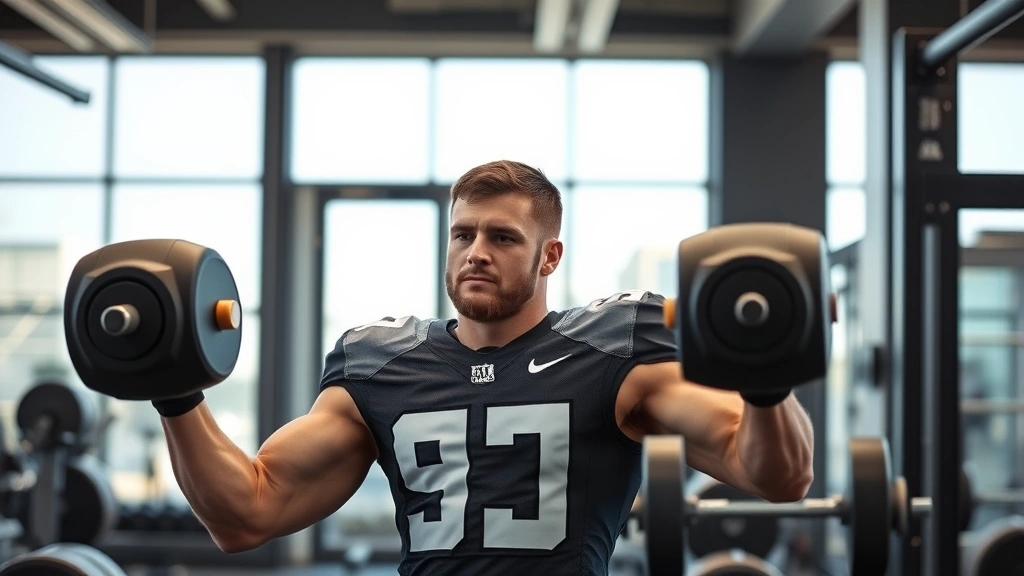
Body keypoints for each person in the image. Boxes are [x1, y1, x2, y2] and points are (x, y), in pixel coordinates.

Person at [153, 160, 815, 575]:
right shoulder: (380, 364)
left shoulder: (617, 352)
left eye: (502, 237)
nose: (476, 252)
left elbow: (777, 476)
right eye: (463, 234)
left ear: (549, 256)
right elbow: (246, 515)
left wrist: (765, 380)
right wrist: (176, 394)